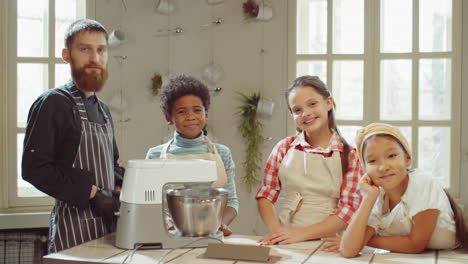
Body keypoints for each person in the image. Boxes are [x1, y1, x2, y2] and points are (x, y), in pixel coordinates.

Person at [22, 19, 124, 252]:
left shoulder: (103, 110)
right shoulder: (53, 103)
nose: (94, 58)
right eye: (84, 49)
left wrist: (119, 189)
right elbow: (34, 168)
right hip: (73, 229)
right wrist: (93, 193)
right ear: (66, 55)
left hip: (110, 229)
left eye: (101, 50)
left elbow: (112, 165)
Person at [328, 123, 467, 257]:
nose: (383, 167)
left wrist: (363, 240)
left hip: (452, 256)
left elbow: (415, 244)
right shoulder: (377, 196)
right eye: (372, 161)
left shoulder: (421, 182)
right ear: (365, 169)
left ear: (407, 159)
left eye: (391, 156)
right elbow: (348, 251)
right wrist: (369, 197)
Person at [256, 75, 363, 245]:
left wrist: (300, 234)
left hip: (328, 243)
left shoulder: (350, 155)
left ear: (328, 103)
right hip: (286, 239)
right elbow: (266, 194)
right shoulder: (284, 148)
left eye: (312, 104)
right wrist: (277, 231)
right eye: (297, 110)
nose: (306, 113)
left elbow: (348, 209)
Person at [146, 74, 239, 235]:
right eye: (182, 111)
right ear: (169, 118)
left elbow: (231, 201)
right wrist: (166, 225)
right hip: (169, 235)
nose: (190, 117)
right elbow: (149, 203)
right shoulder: (155, 155)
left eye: (197, 110)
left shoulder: (222, 153)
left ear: (206, 114)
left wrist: (220, 224)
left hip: (212, 234)